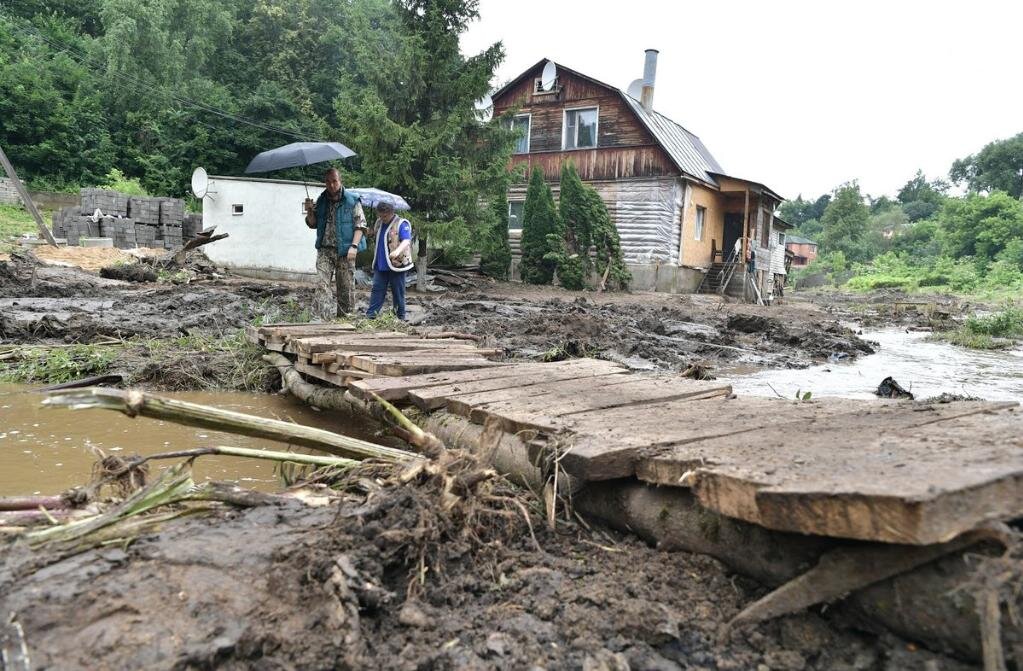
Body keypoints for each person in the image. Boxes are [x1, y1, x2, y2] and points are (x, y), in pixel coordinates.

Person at [304, 168, 367, 319]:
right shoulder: (322, 200)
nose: (331, 185)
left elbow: (361, 226)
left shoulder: (352, 200)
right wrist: (310, 212)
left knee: (345, 288)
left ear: (340, 181)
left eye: (334, 181)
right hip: (325, 250)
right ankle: (320, 319)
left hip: (345, 251)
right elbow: (313, 224)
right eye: (328, 182)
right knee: (322, 285)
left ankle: (345, 320)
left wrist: (354, 246)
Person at [366, 200, 413, 320]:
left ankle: (400, 316)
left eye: (385, 216)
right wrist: (369, 232)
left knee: (398, 292)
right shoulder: (379, 222)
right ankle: (370, 315)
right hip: (381, 264)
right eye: (380, 216)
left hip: (397, 264)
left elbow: (406, 240)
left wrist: (397, 251)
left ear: (392, 212)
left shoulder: (402, 223)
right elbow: (374, 234)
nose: (382, 218)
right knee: (377, 290)